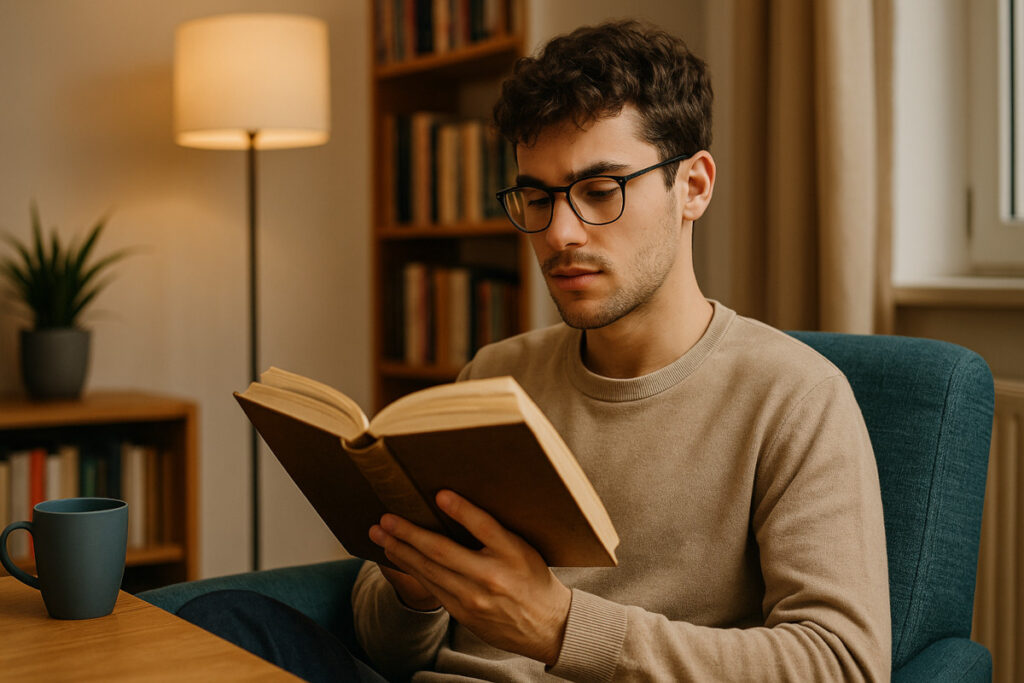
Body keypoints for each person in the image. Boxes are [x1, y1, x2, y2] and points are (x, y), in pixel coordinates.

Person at [182, 19, 891, 682]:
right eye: (537, 198)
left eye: (600, 190)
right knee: (221, 621)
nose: (559, 234)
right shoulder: (496, 374)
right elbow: (388, 650)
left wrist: (561, 627)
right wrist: (414, 585)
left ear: (694, 187)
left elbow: (843, 663)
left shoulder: (794, 397)